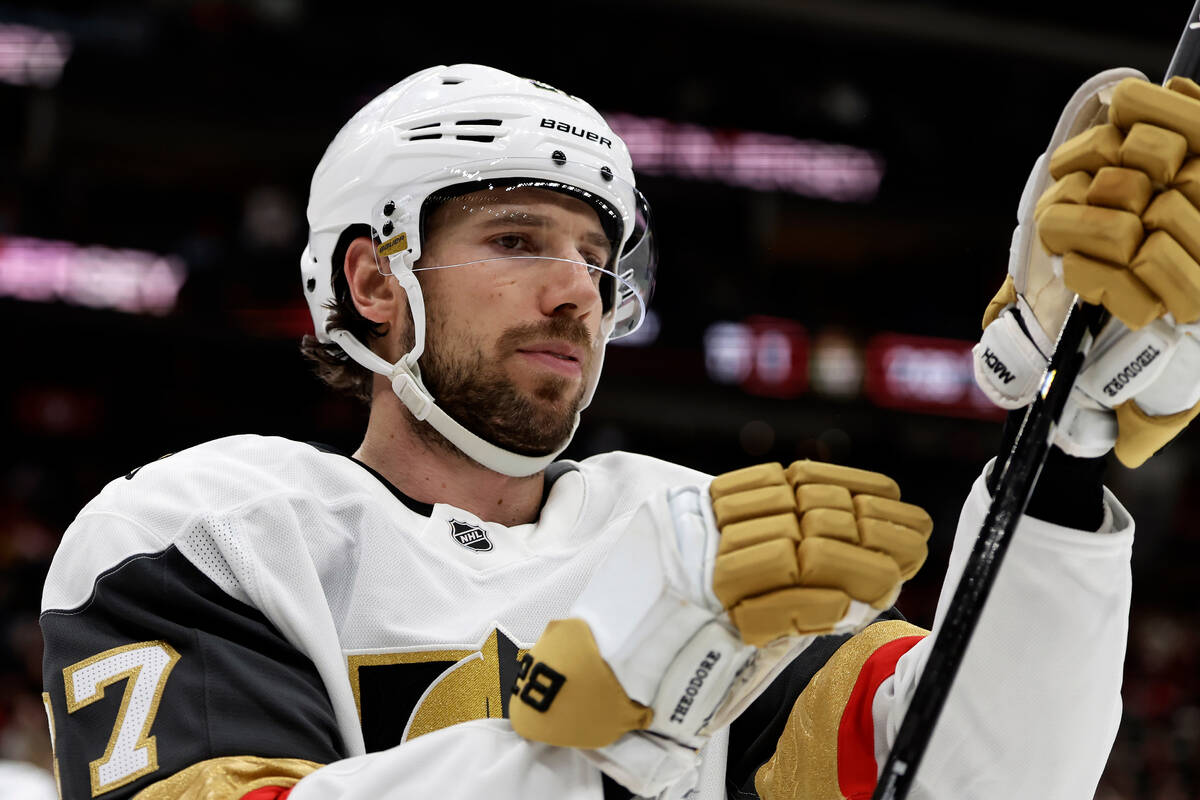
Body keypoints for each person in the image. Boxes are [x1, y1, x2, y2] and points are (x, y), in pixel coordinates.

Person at [38, 63, 1200, 800]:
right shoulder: (205, 532)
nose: (576, 292)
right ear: (374, 278)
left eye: (596, 259)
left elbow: (975, 780)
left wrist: (1066, 446)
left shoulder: (688, 526)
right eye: (517, 240)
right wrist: (616, 709)